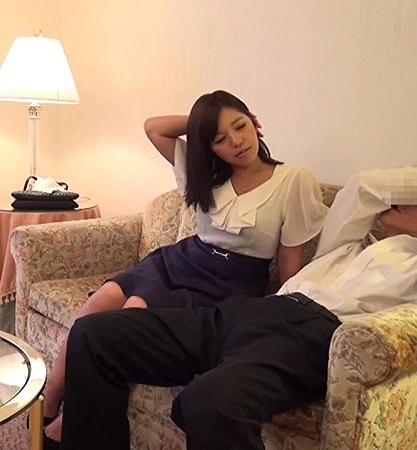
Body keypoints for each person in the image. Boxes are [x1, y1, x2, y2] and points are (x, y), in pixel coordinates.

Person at [41, 90, 328, 444]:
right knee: (97, 305)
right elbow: (154, 128)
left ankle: (70, 419)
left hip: (231, 282)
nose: (236, 142)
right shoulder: (207, 172)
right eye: (220, 138)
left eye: (240, 126)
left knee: (132, 315)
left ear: (255, 123)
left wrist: (282, 318)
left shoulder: (294, 180)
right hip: (184, 259)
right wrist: (202, 124)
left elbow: (289, 261)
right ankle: (50, 402)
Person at [60, 166, 417, 450]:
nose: (399, 201)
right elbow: (365, 187)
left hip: (312, 336)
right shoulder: (355, 244)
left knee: (209, 403)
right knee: (94, 334)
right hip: (253, 312)